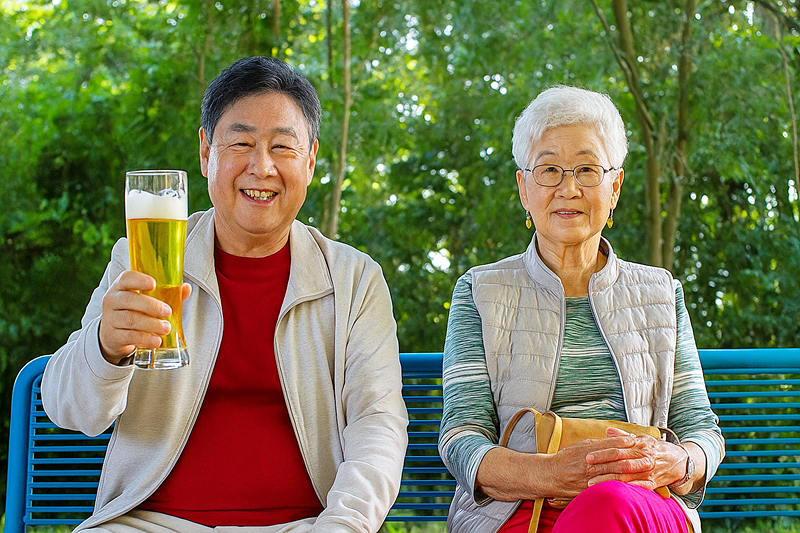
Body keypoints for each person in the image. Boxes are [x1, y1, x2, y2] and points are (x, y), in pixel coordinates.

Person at [41, 56, 408, 533]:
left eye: (282, 147)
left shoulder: (354, 279)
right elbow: (69, 409)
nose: (262, 167)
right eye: (240, 143)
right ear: (205, 152)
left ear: (312, 160)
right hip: (149, 523)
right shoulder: (141, 258)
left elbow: (377, 424)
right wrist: (106, 347)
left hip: (305, 525)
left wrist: (343, 525)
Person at [438, 86, 724, 533]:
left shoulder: (662, 293)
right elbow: (460, 439)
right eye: (549, 169)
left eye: (587, 169)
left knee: (608, 504)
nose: (567, 188)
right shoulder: (480, 290)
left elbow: (702, 432)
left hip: (639, 504)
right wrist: (551, 473)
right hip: (516, 508)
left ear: (615, 187)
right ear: (524, 189)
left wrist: (677, 461)